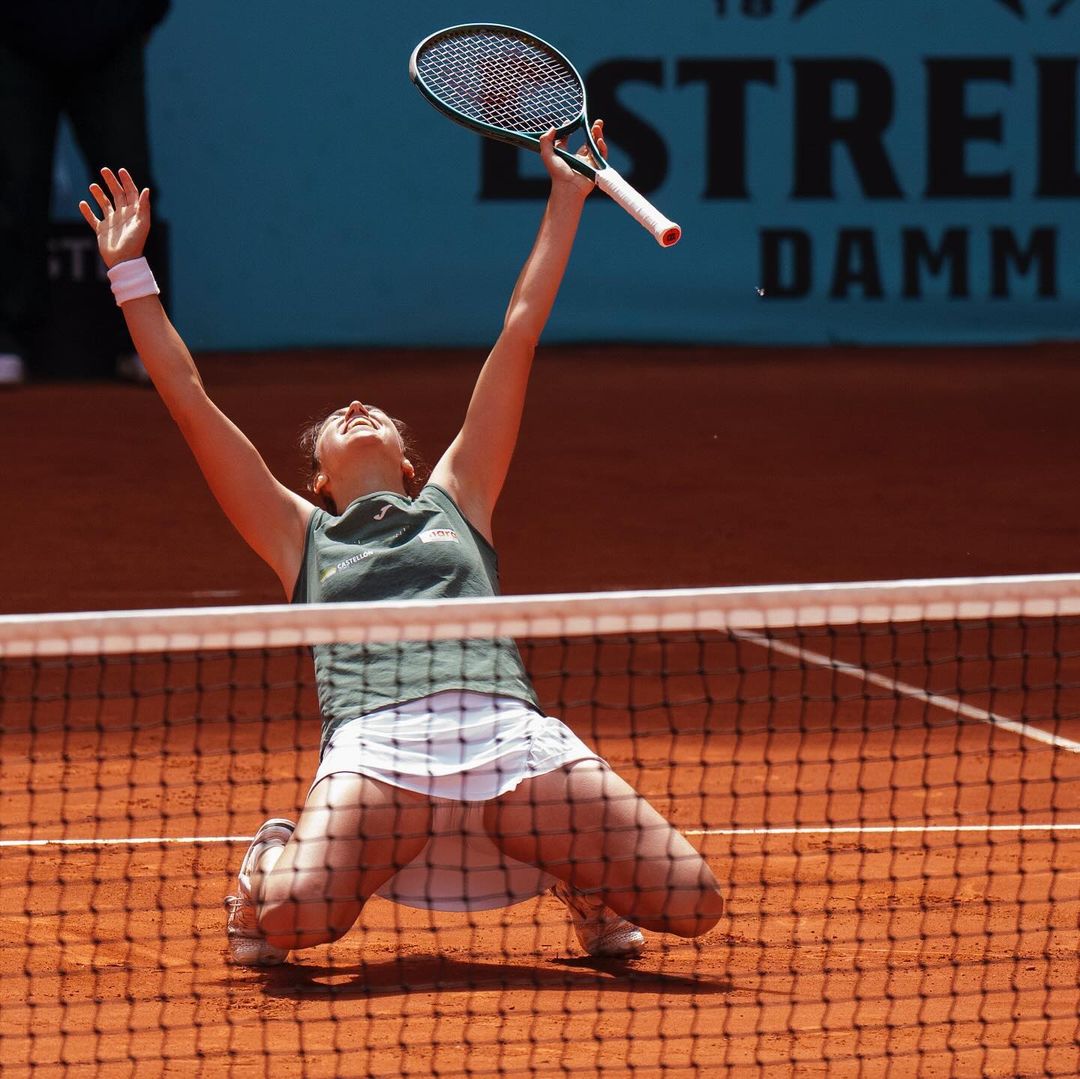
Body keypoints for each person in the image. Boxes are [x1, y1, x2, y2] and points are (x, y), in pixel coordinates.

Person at [77, 124, 725, 966]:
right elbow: (189, 400)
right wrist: (130, 275)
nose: (357, 405)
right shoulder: (298, 534)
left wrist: (567, 199)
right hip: (379, 749)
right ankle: (268, 861)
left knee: (695, 902)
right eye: (339, 421)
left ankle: (583, 877)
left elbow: (519, 331)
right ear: (317, 479)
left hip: (509, 736)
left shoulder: (460, 499)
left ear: (412, 463)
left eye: (376, 413)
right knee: (288, 926)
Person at [0, 1, 168, 384]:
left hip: (110, 38)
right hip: (12, 43)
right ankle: (8, 338)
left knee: (130, 184)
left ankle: (143, 340)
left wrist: (139, 16)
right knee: (15, 185)